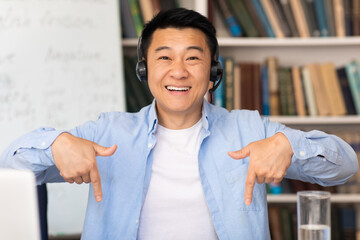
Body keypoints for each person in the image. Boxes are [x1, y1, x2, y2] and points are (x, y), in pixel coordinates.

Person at [0, 8, 358, 240]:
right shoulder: (108, 132)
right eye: (164, 57)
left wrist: (291, 145)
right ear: (144, 69)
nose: (179, 71)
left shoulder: (250, 129)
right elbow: (9, 165)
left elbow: (346, 166)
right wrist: (57, 143)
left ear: (214, 71)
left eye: (193, 58)